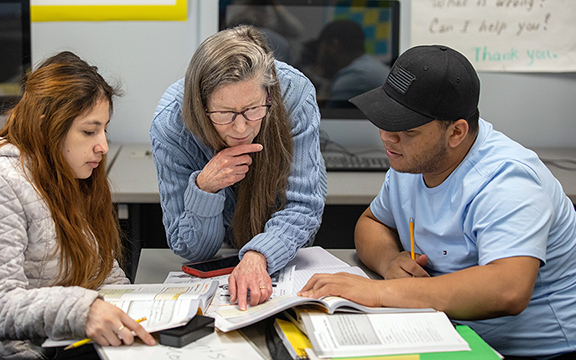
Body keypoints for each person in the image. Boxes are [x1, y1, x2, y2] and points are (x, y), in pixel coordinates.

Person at [299, 45, 576, 359]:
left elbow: (508, 289)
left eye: (407, 130)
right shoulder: (412, 162)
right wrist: (390, 262)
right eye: (385, 120)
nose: (387, 137)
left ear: (456, 132)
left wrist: (379, 291)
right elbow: (373, 222)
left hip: (532, 351)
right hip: (443, 330)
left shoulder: (509, 180)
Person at [0, 51, 156, 359]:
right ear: (46, 124)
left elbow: (102, 273)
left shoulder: (67, 173)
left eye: (104, 129)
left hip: (76, 347)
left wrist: (138, 312)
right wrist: (83, 309)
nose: (103, 145)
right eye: (89, 131)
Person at [151, 25, 327, 311]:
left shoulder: (295, 94)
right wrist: (205, 189)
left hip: (281, 261)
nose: (242, 127)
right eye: (224, 114)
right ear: (201, 105)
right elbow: (193, 251)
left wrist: (259, 255)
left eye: (253, 109)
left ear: (269, 94)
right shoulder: (171, 124)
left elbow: (304, 207)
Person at [314, 19, 390, 104]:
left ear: (334, 46)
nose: (318, 57)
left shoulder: (353, 77)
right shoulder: (369, 66)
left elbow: (327, 116)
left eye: (320, 48)